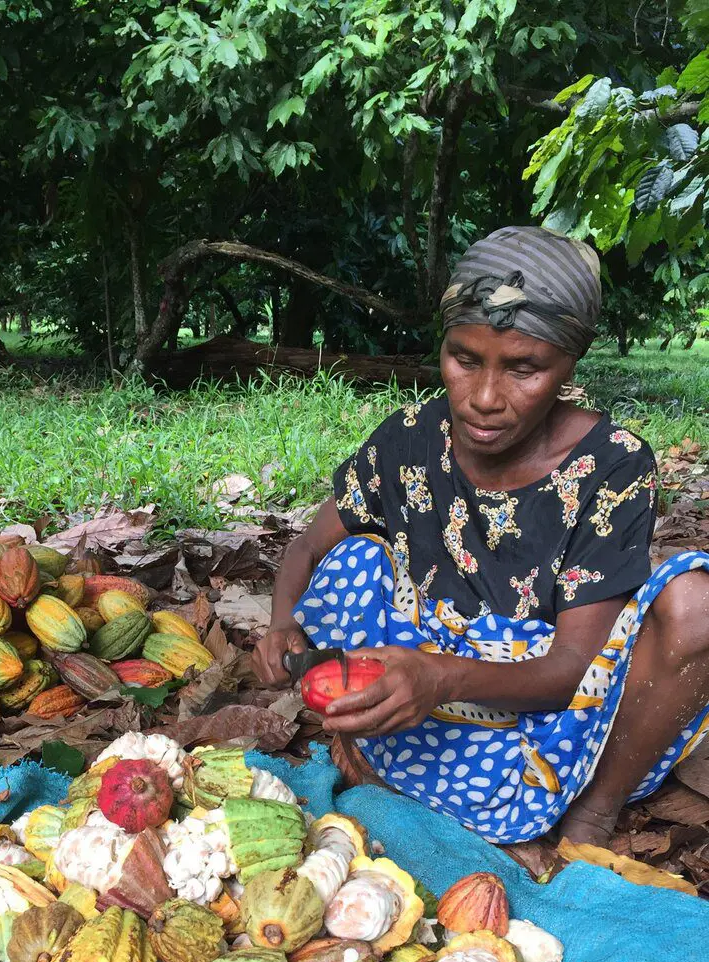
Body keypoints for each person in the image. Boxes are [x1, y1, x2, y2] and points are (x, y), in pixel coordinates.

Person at [253, 226, 709, 848]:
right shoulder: (411, 438)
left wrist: (439, 676)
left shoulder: (613, 464)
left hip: (543, 712)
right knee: (351, 556)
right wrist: (282, 623)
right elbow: (306, 548)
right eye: (464, 360)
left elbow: (569, 671)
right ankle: (373, 742)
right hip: (424, 695)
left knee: (697, 606)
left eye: (525, 368)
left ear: (569, 363)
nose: (484, 398)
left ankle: (592, 812)